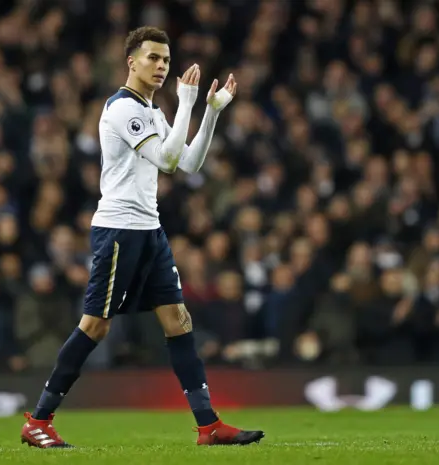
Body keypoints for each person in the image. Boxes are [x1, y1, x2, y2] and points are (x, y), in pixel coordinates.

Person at [20, 26, 264, 448]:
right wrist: (187, 101)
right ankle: (38, 420)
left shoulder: (152, 111)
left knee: (178, 320)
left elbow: (189, 163)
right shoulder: (121, 109)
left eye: (166, 60)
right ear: (131, 61)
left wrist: (211, 112)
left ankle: (208, 425)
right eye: (153, 58)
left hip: (149, 229)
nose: (162, 66)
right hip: (118, 230)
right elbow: (167, 160)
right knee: (95, 326)